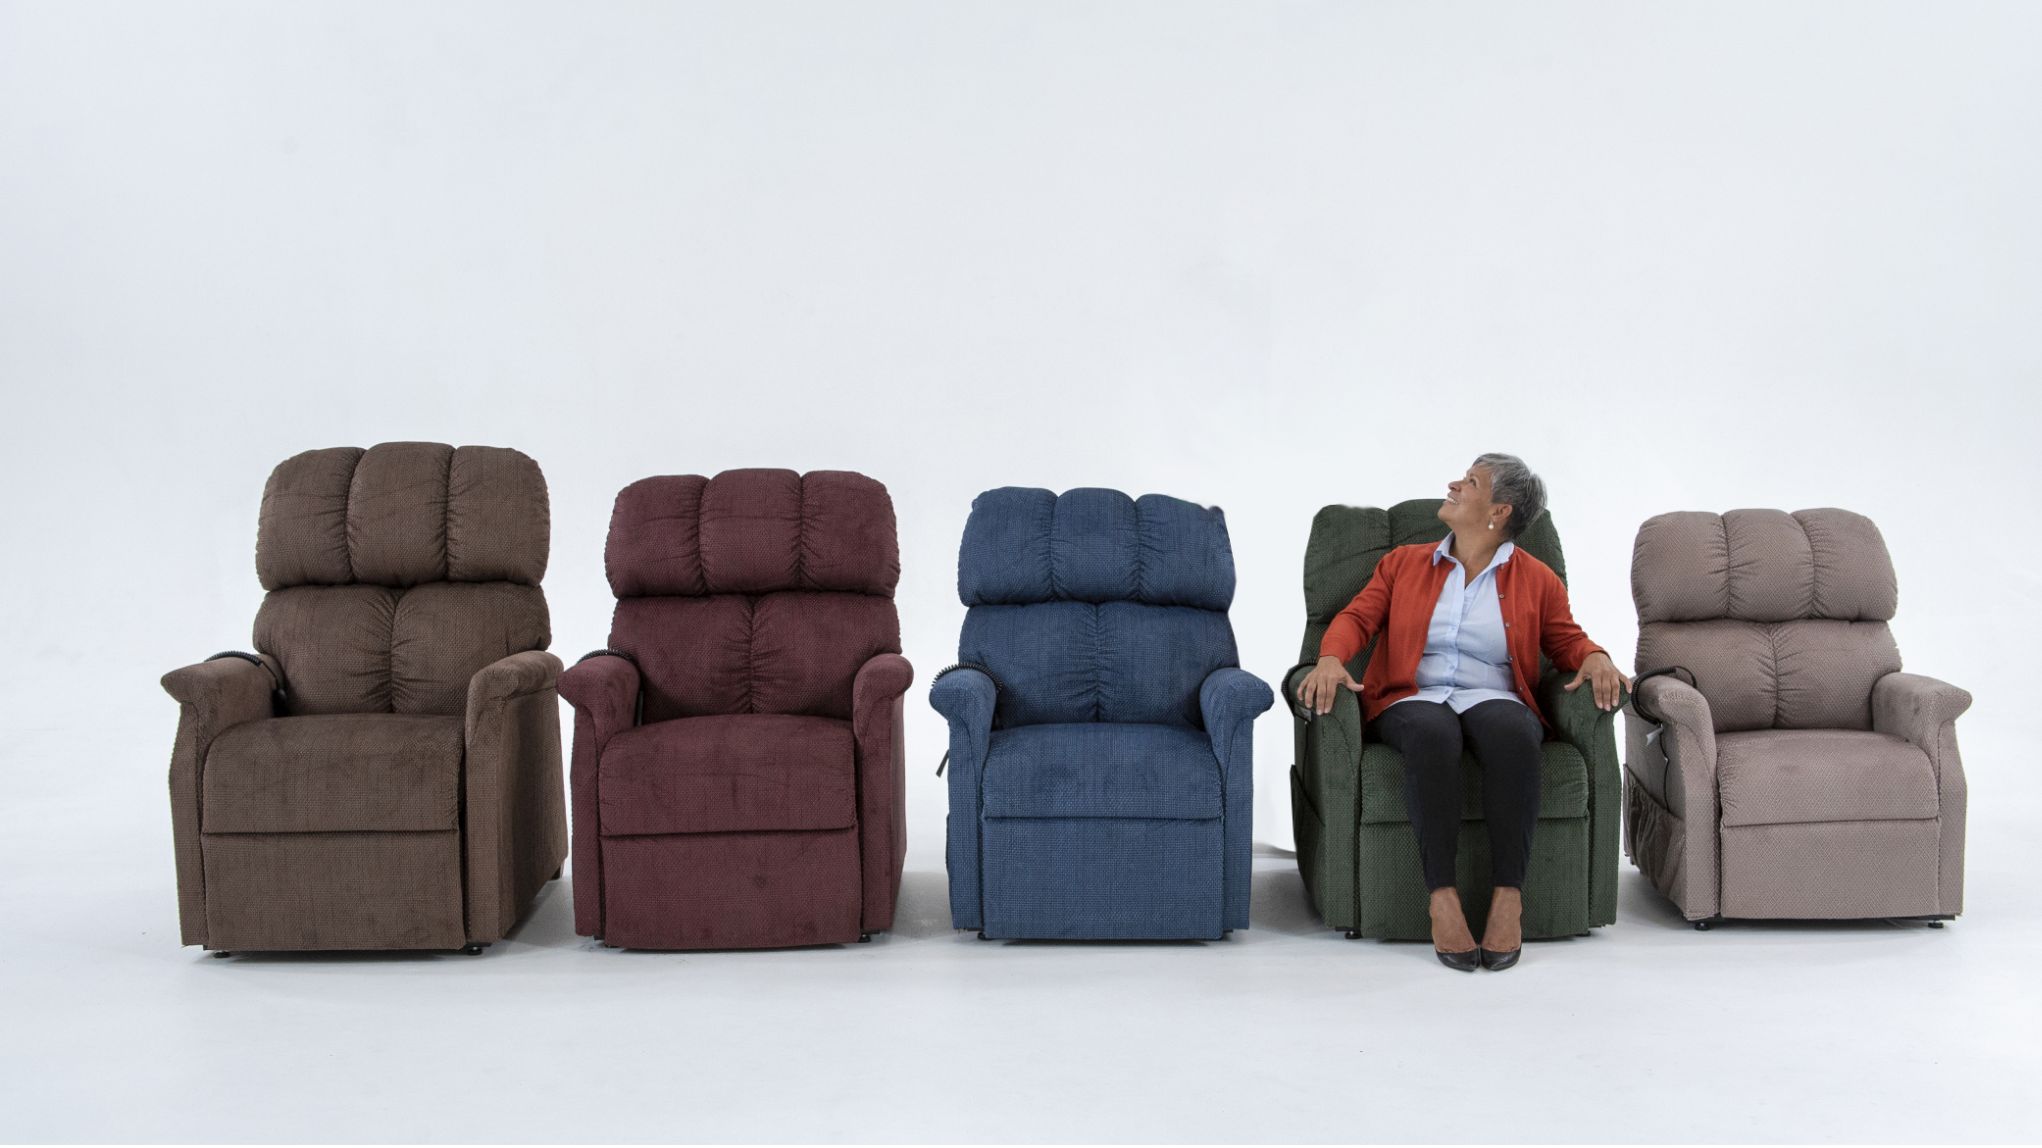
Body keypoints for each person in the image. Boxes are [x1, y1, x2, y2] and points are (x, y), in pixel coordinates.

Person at [1295, 453, 1629, 972]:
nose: (1453, 484)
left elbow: (1566, 639)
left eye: (1470, 482)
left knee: (1517, 731)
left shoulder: (1536, 578)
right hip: (1411, 697)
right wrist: (1332, 658)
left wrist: (1596, 658)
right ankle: (1442, 897)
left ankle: (1508, 898)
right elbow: (1356, 617)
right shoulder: (1403, 563)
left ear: (1499, 511)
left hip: (1491, 694)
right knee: (1433, 731)